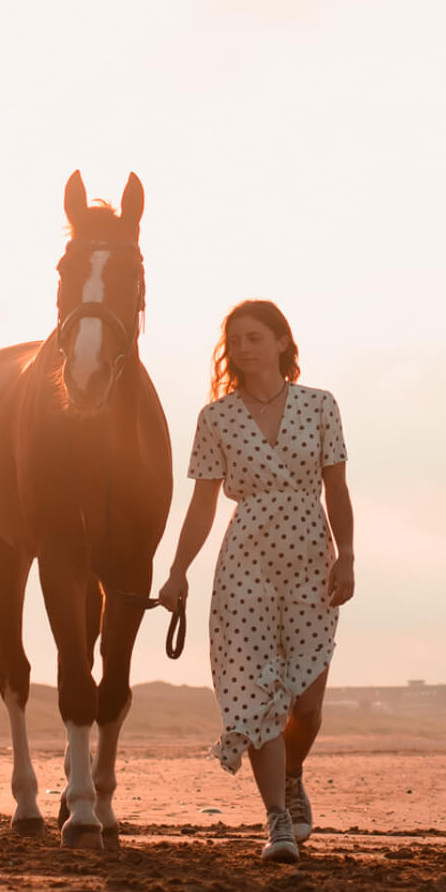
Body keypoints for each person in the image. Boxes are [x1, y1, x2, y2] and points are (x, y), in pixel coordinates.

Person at [158, 299, 355, 863]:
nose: (243, 349)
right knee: (256, 693)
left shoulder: (320, 406)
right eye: (234, 340)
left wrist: (348, 556)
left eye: (254, 338)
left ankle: (291, 776)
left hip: (310, 557)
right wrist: (176, 571)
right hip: (244, 560)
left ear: (281, 343)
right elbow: (201, 506)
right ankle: (276, 823)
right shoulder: (215, 417)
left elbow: (337, 488)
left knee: (307, 706)